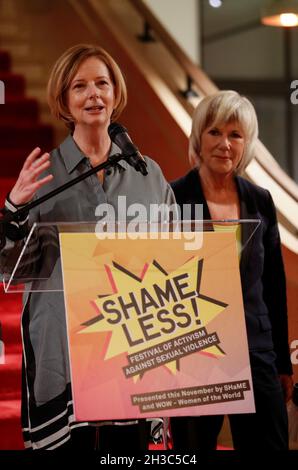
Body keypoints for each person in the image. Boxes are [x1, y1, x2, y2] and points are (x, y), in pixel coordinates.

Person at [0, 44, 176, 450]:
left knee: (125, 453)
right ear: (64, 101)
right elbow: (9, 267)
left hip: (133, 340)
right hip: (61, 341)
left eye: (102, 83)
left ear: (116, 93)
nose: (93, 94)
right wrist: (14, 206)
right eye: (79, 86)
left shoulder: (148, 174)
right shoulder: (44, 176)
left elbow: (173, 256)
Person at [170, 90, 293, 451]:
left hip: (256, 351)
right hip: (195, 352)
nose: (225, 144)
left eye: (235, 135)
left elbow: (273, 285)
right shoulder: (173, 197)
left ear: (246, 143)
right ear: (198, 138)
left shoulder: (260, 200)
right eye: (215, 132)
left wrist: (282, 361)